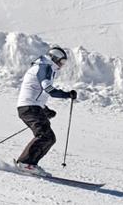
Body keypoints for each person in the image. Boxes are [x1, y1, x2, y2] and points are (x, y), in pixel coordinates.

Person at [15, 46, 77, 176]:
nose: (62, 65)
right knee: (45, 136)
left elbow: (37, 92)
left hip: (31, 106)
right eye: (61, 61)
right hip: (30, 107)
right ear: (54, 58)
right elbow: (48, 89)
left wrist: (45, 109)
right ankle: (26, 164)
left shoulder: (44, 66)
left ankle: (28, 164)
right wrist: (67, 95)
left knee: (48, 137)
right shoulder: (44, 67)